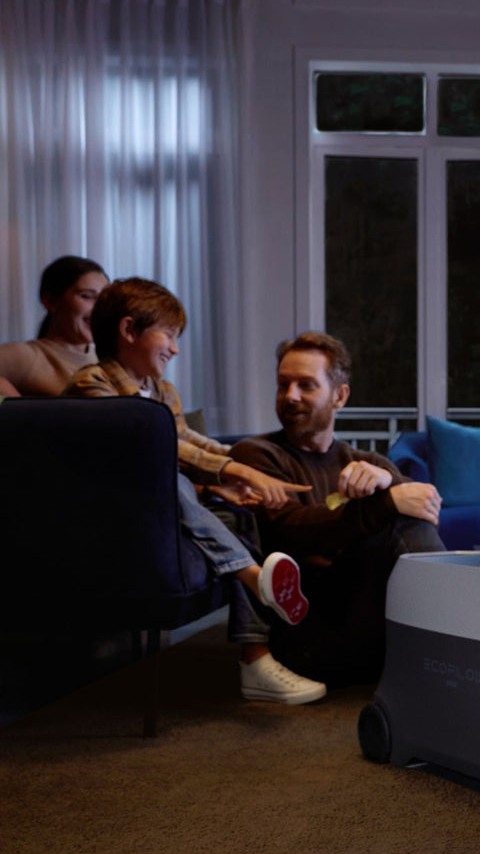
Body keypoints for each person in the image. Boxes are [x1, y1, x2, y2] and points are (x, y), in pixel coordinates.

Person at [64, 277, 326, 706]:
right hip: (108, 521)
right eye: (168, 334)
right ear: (129, 331)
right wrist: (230, 470)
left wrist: (242, 466)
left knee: (238, 514)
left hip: (168, 513)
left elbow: (195, 443)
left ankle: (255, 662)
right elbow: (153, 448)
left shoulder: (163, 391)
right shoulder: (91, 385)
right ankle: (256, 578)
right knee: (169, 477)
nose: (175, 348)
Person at [228, 332, 446, 685]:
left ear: (339, 396)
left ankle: (442, 654)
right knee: (396, 516)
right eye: (284, 384)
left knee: (406, 516)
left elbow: (427, 506)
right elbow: (292, 529)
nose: (290, 396)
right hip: (305, 636)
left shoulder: (362, 461)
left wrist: (388, 483)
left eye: (306, 385)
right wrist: (386, 501)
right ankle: (446, 656)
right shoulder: (254, 456)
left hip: (367, 624)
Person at [0, 255, 109, 396]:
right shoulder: (26, 356)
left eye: (104, 298)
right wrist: (18, 407)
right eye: (86, 296)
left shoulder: (107, 359)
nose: (98, 307)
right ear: (50, 301)